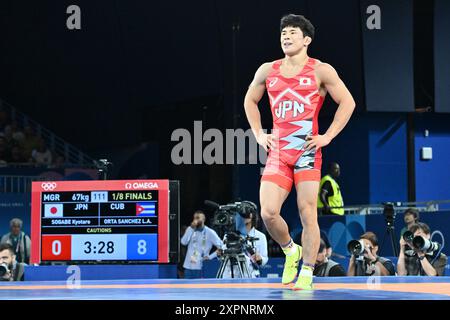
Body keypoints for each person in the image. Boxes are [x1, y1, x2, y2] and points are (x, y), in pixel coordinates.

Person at [243, 14, 355, 290]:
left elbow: (348, 102)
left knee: (307, 212)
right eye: (283, 32)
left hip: (306, 152)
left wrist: (327, 136)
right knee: (268, 212)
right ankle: (290, 249)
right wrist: (258, 133)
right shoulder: (268, 70)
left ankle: (306, 270)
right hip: (279, 153)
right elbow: (250, 99)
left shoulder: (321, 70)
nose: (286, 36)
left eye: (293, 32)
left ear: (307, 40)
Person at [212, 209, 268, 278]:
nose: (243, 218)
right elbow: (224, 257)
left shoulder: (261, 236)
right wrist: (220, 255)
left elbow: (264, 259)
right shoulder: (229, 235)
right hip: (229, 276)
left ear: (252, 217)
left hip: (249, 276)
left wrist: (260, 259)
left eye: (246, 215)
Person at [180, 210, 223, 279]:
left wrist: (210, 257)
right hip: (188, 267)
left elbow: (222, 246)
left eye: (197, 218)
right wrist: (191, 229)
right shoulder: (190, 229)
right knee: (187, 288)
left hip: (201, 267)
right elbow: (183, 242)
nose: (195, 220)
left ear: (203, 219)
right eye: (194, 218)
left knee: (199, 289)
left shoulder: (210, 232)